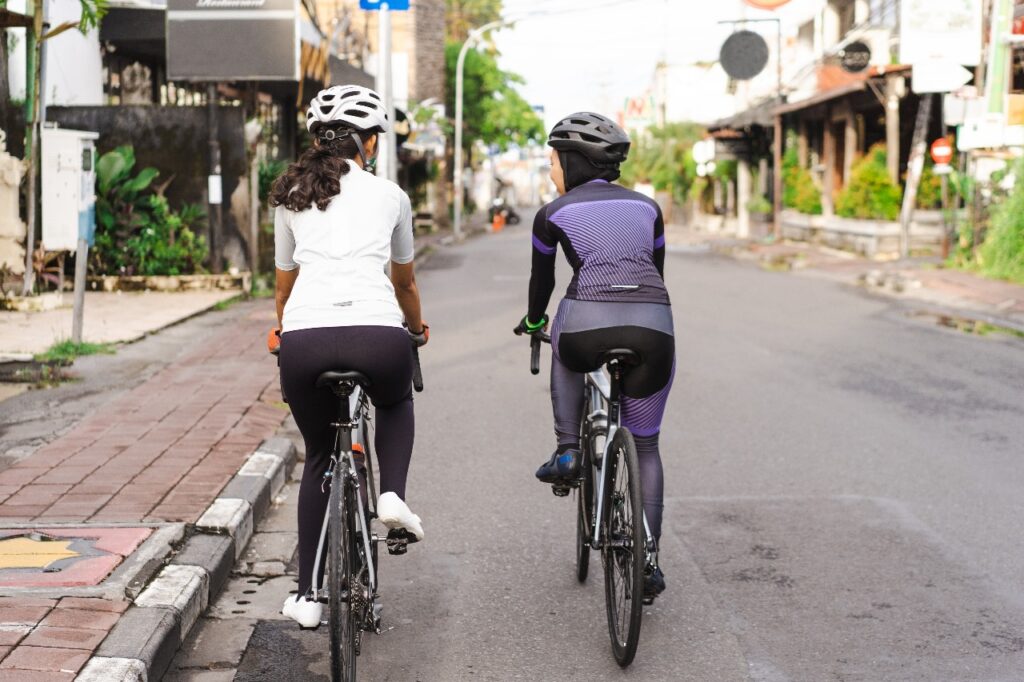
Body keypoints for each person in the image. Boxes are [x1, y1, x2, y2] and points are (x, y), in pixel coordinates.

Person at [269, 85, 428, 628]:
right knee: (396, 401)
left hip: (304, 340)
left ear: (316, 138)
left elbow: (284, 289)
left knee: (318, 457)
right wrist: (415, 329)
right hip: (379, 335)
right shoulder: (391, 195)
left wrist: (281, 330)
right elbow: (403, 283)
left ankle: (308, 597)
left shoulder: (288, 194)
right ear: (367, 143)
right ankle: (390, 496)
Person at [515, 112, 675, 599]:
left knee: (564, 334)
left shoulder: (553, 214)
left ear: (573, 162)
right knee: (645, 447)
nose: (551, 172)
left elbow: (542, 283)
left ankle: (567, 451)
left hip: (585, 327)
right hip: (653, 326)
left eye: (553, 162)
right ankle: (647, 560)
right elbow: (657, 270)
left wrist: (536, 322)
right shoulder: (649, 208)